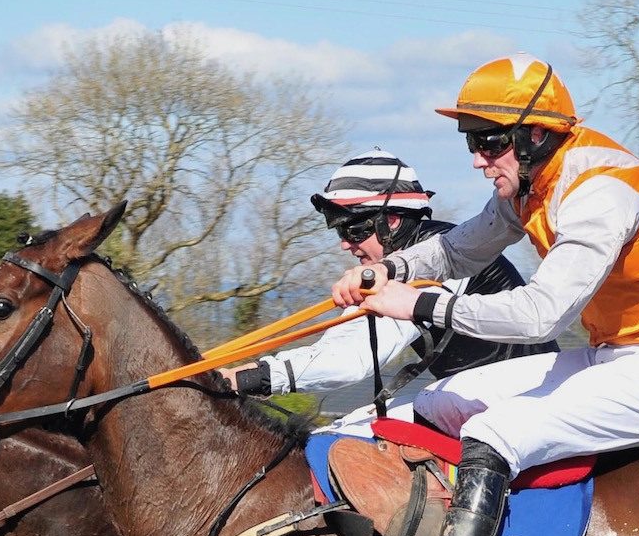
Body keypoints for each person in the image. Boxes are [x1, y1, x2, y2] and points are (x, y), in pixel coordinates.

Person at [321, 54, 639, 536]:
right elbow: (461, 248)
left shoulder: (601, 190)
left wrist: (420, 305)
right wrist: (389, 269)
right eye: (472, 142)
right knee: (439, 402)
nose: (478, 159)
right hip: (612, 357)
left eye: (489, 143)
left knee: (492, 430)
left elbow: (542, 315)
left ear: (536, 133)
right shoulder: (532, 181)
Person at [226, 151, 554, 407]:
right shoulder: (385, 269)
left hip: (525, 394)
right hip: (481, 391)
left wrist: (250, 378)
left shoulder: (431, 258)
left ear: (393, 221)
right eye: (340, 230)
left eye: (353, 229)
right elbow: (338, 343)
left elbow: (353, 360)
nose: (345, 243)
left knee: (356, 436)